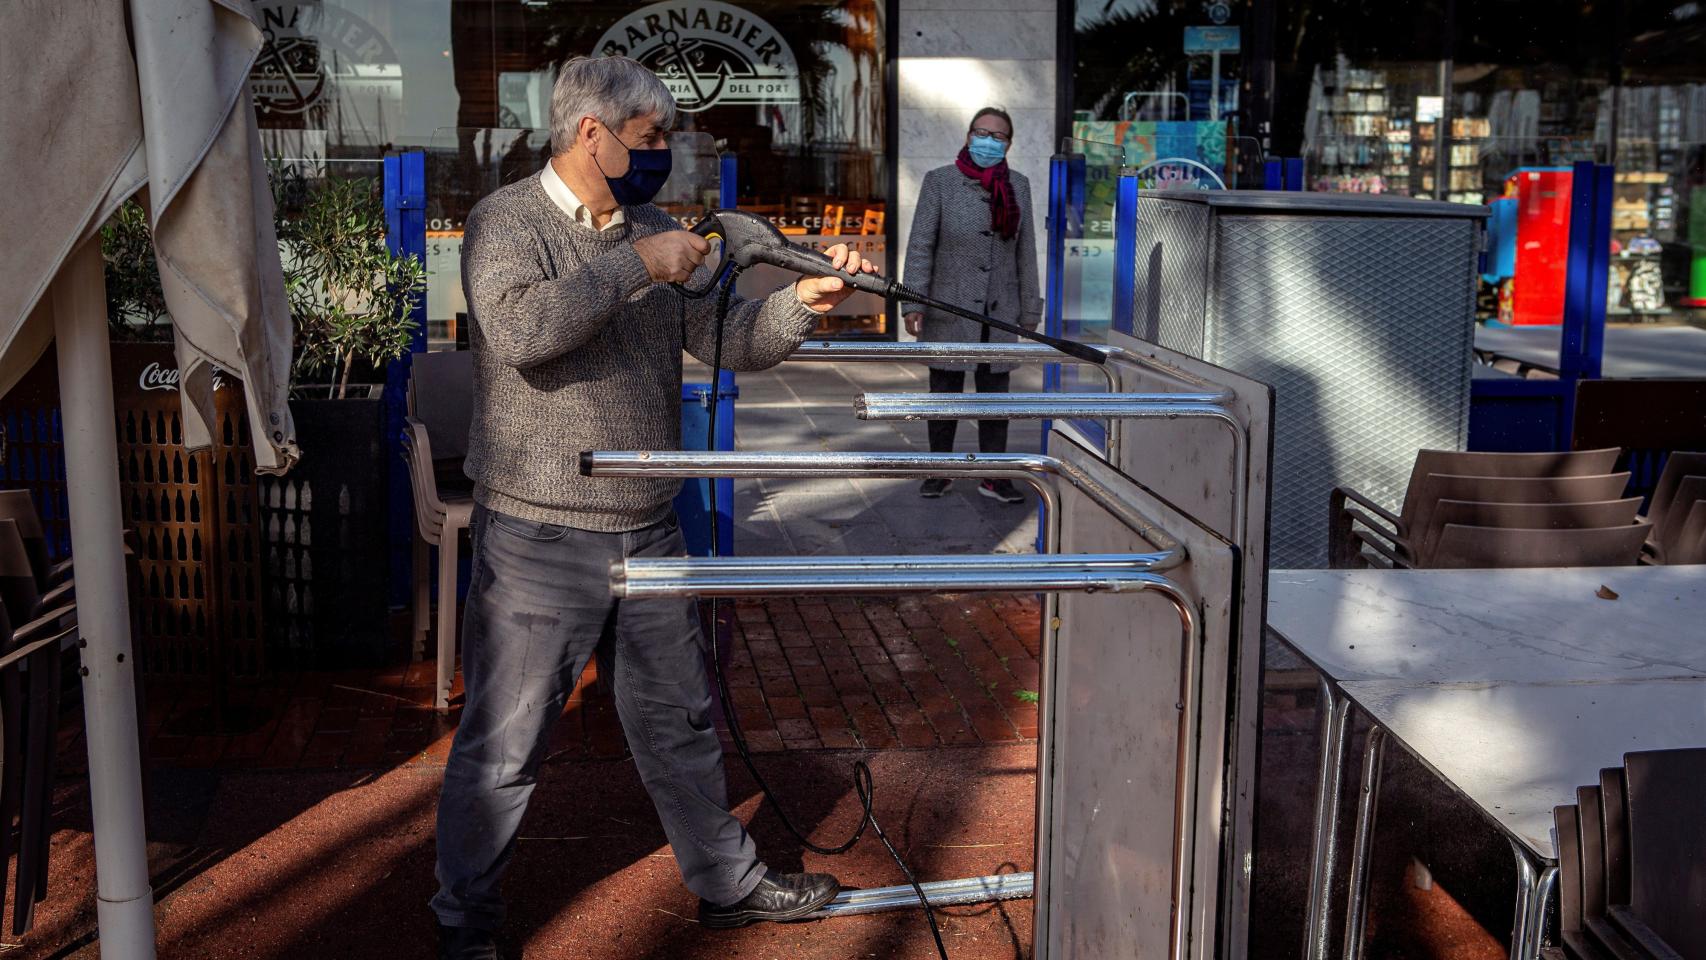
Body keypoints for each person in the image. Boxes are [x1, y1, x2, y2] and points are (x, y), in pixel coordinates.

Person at [432, 55, 876, 960]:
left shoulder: (654, 226)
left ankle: (729, 885)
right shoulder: (506, 221)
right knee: (504, 746)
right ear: (589, 133)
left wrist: (802, 301)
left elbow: (730, 341)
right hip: (540, 530)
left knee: (679, 723)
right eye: (649, 137)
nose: (664, 152)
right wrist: (635, 264)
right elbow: (521, 332)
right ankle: (465, 920)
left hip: (651, 522)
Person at [901, 106, 1041, 503]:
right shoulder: (939, 182)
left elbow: (1026, 252)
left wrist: (1030, 307)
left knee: (995, 397)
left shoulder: (1019, 185)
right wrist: (913, 301)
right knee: (943, 393)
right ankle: (939, 471)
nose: (988, 141)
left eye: (998, 136)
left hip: (1000, 310)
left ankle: (993, 475)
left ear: (1009, 144)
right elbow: (920, 245)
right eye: (982, 133)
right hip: (948, 307)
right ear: (967, 136)